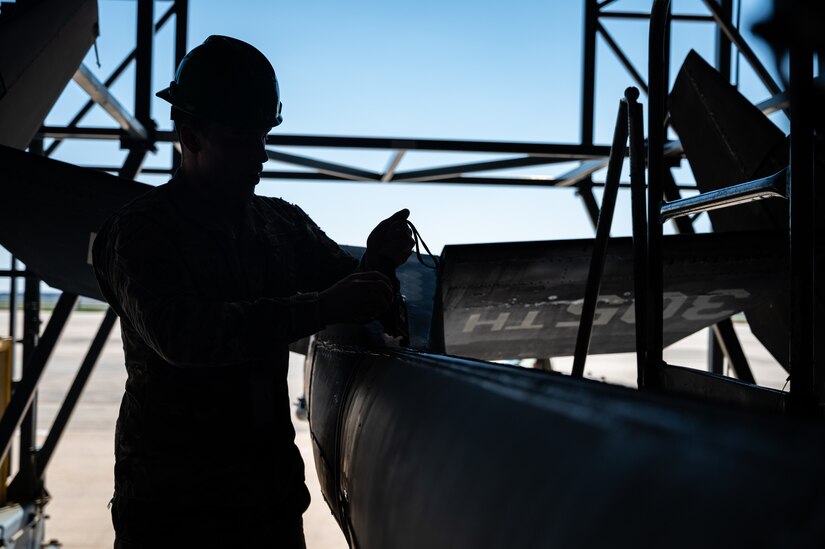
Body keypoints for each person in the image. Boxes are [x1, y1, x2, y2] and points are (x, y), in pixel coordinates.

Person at [92, 35, 414, 548]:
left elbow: (353, 289)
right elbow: (185, 336)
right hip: (173, 520)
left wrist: (378, 262)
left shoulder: (280, 225)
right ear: (191, 134)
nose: (261, 154)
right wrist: (322, 306)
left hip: (266, 510)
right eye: (243, 138)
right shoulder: (138, 233)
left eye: (264, 135)